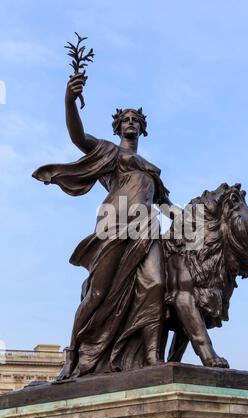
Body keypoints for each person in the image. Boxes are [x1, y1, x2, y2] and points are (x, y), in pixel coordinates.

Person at [33, 73, 172, 379]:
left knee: (157, 285)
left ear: (143, 128)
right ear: (118, 126)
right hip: (114, 224)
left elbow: (165, 206)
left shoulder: (150, 168)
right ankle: (72, 355)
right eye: (126, 119)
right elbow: (78, 138)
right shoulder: (110, 152)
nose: (131, 122)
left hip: (146, 229)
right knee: (97, 294)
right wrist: (70, 100)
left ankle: (151, 354)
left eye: (136, 119)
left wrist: (196, 217)